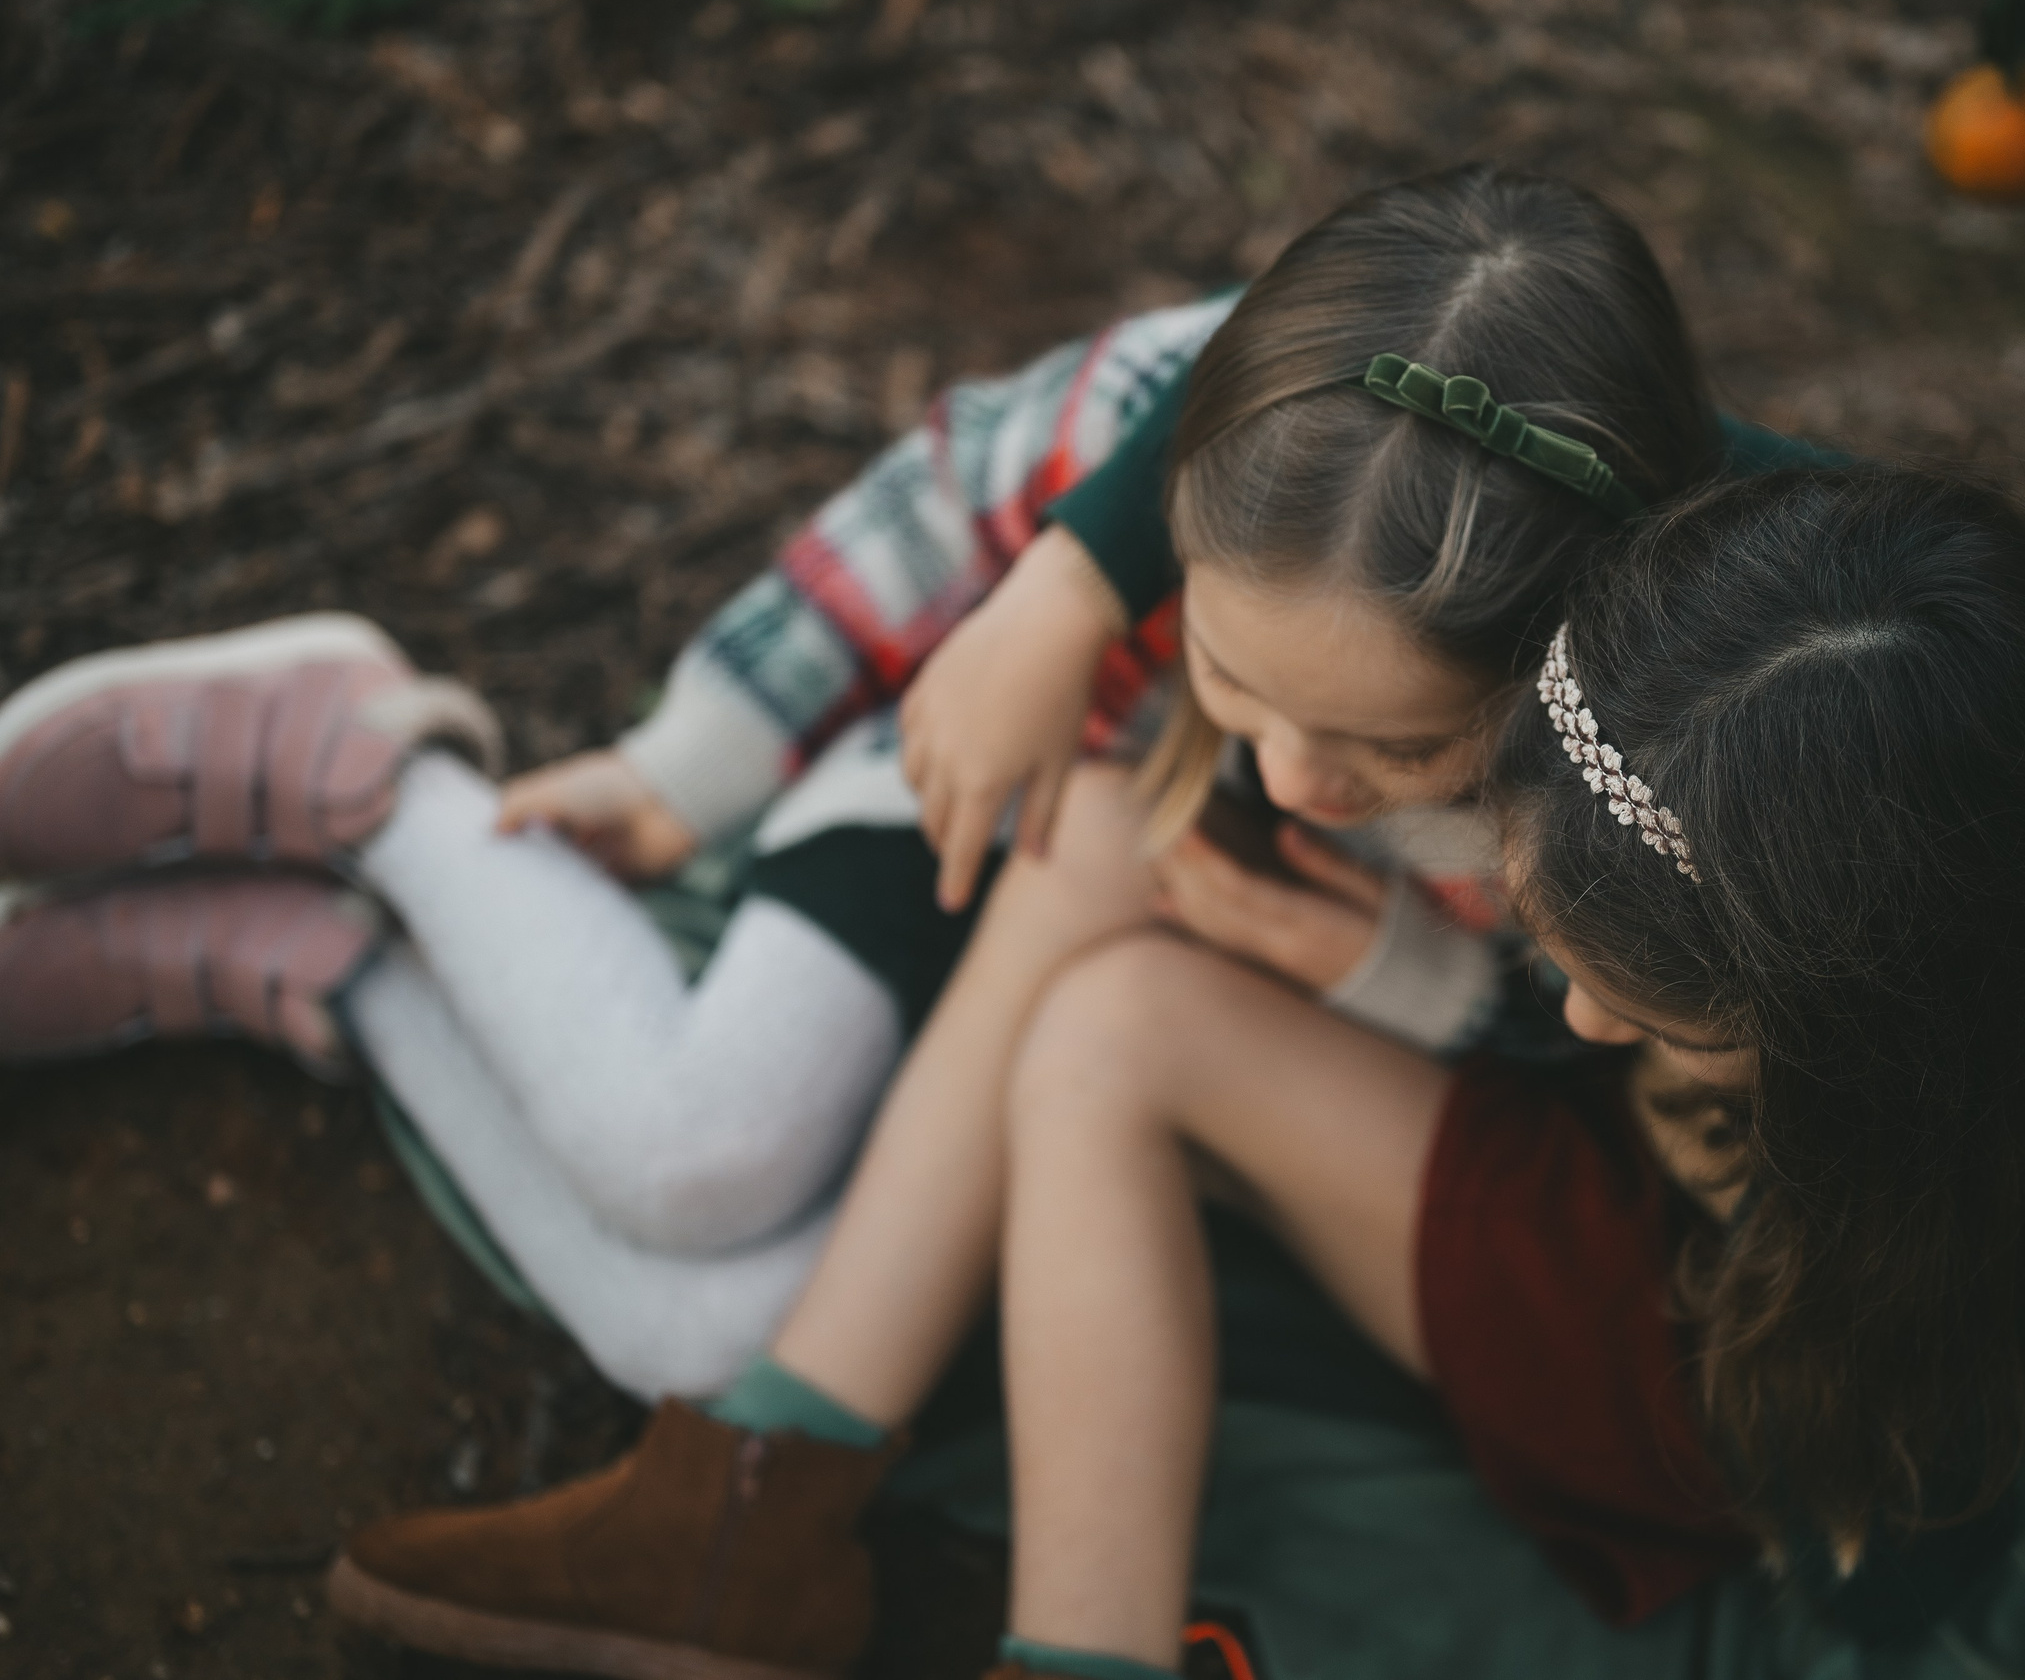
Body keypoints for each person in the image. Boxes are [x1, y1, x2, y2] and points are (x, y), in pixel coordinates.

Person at [338, 465, 2025, 1680]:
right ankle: (762, 1494)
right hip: (1635, 1200)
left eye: (1645, 1005)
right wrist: (1077, 585)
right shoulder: (1778, 627)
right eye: (1563, 949)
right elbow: (1392, 346)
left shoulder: (2017, 1206)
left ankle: (934, 1588)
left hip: (1690, 1364)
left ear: (1860, 1025)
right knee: (1115, 852)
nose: (1588, 1012)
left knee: (1107, 1031)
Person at [0, 167, 1772, 1398]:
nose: (1301, 777)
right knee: (689, 1155)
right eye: (1238, 681)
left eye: (1399, 752)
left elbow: (1598, 1013)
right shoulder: (1203, 426)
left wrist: (1397, 977)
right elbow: (924, 520)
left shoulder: (1631, 734)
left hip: (1166, 1005)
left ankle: (332, 963)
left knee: (703, 1345)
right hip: (978, 812)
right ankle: (375, 781)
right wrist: (690, 768)